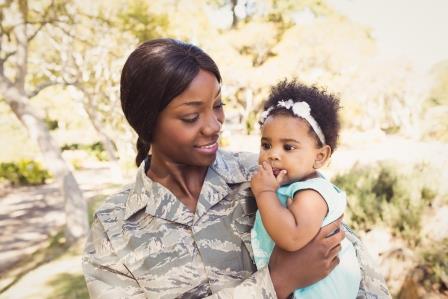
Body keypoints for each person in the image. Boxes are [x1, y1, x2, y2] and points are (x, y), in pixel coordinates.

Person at [82, 38, 390, 299]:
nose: (214, 126)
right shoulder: (112, 229)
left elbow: (358, 272)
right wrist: (276, 282)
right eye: (191, 117)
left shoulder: (267, 173)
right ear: (147, 123)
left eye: (217, 105)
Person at [251, 80, 361, 299]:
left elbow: (291, 238)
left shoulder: (313, 194)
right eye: (266, 145)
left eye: (288, 147)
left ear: (320, 156)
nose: (273, 154)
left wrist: (264, 194)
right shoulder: (292, 187)